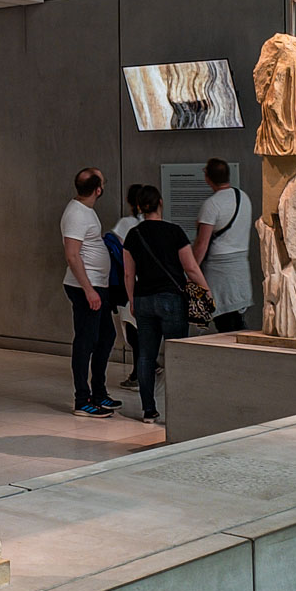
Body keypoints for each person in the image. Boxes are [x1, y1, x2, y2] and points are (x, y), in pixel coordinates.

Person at [121, 186, 211, 425]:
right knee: (176, 356)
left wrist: (132, 300)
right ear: (160, 202)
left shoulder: (133, 234)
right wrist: (206, 291)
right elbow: (190, 268)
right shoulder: (174, 232)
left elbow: (128, 274)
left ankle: (149, 410)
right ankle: (178, 409)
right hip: (171, 299)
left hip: (143, 300)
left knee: (146, 357)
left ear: (140, 207)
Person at [60, 167, 118, 418]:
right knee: (86, 341)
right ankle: (82, 399)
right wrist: (88, 290)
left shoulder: (85, 211)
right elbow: (72, 255)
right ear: (98, 189)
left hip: (96, 285)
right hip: (86, 286)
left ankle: (98, 392)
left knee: (105, 337)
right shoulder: (76, 214)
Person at [194, 158, 254, 333]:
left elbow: (202, 243)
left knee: (224, 322)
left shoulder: (212, 204)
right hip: (241, 268)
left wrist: (192, 270)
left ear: (208, 178)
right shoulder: (243, 197)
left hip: (219, 271)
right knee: (237, 318)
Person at [111, 185, 146, 390]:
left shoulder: (126, 224)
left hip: (133, 283)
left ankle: (138, 374)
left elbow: (120, 256)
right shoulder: (161, 225)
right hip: (153, 285)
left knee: (133, 330)